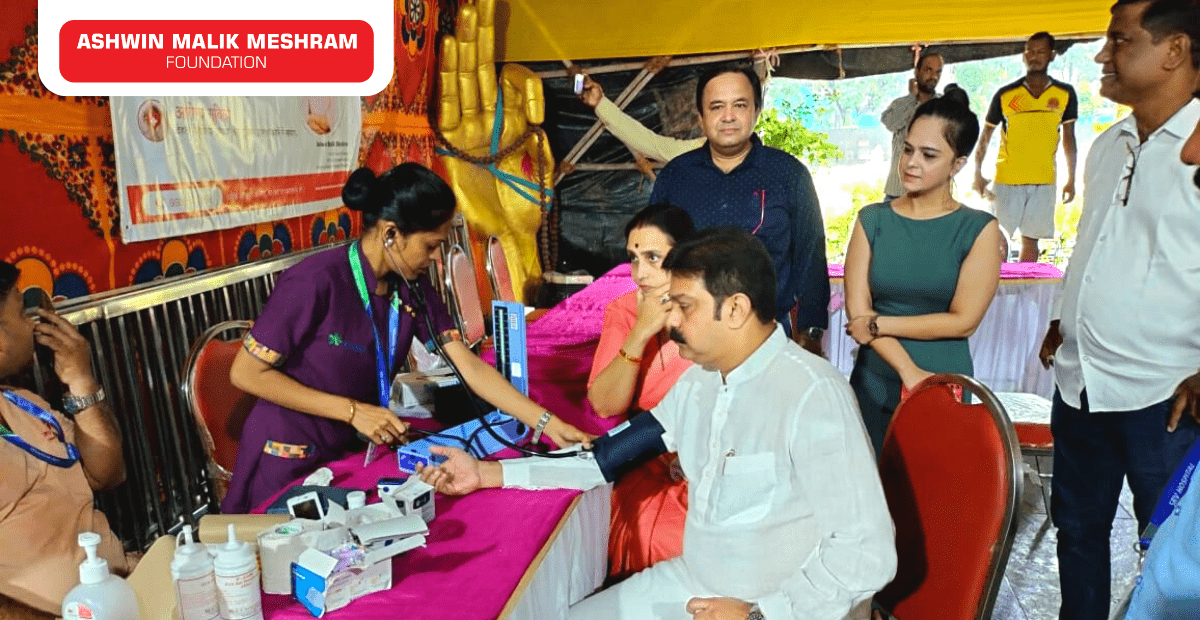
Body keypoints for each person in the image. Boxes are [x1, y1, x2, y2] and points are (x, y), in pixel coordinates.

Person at [419, 228, 897, 620]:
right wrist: (488, 474)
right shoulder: (701, 384)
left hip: (774, 608)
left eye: (684, 307)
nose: (670, 323)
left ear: (734, 309)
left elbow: (866, 552)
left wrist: (762, 613)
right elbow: (603, 460)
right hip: (693, 582)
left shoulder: (813, 394)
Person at [221, 163, 591, 513]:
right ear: (391, 233)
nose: (434, 258)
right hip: (290, 453)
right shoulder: (315, 281)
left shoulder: (409, 287)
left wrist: (548, 423)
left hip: (349, 451)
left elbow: (468, 367)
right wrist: (353, 411)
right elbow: (246, 374)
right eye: (430, 246)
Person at [1038, 1, 1200, 616]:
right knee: (1076, 535)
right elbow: (1095, 242)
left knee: (1171, 556)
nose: (1103, 54)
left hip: (1166, 395)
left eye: (1119, 40)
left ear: (1175, 51)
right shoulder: (1110, 145)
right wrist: (1065, 316)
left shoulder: (1198, 147)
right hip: (1081, 383)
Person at [844, 96, 1003, 458]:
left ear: (958, 164)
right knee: (872, 498)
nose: (912, 163)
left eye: (929, 155)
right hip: (875, 380)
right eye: (908, 149)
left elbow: (962, 322)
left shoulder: (978, 229)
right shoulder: (872, 220)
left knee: (933, 500)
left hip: (943, 383)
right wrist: (907, 369)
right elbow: (858, 312)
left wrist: (878, 325)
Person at [649, 63, 830, 356]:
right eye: (716, 107)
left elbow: (810, 256)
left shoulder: (788, 175)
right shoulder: (675, 178)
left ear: (756, 111)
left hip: (767, 336)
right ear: (701, 117)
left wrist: (811, 332)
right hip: (687, 340)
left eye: (740, 105)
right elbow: (653, 254)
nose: (729, 116)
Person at [0, 262, 130, 618]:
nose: (32, 323)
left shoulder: (24, 405)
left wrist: (81, 381)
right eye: (19, 310)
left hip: (117, 590)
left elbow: (108, 474)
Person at [587, 203, 696, 580]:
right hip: (646, 462)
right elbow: (604, 404)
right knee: (660, 538)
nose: (641, 274)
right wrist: (641, 331)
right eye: (634, 259)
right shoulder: (624, 312)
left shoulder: (709, 309)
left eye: (654, 258)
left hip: (712, 464)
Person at [973, 32, 1079, 263]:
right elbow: (986, 136)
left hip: (1044, 180)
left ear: (1052, 56)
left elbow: (1069, 139)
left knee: (1031, 241)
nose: (1034, 57)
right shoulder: (1005, 94)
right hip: (1007, 179)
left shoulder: (1064, 94)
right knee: (996, 239)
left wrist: (1071, 179)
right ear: (1023, 55)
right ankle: (994, 294)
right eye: (1029, 51)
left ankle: (1023, 295)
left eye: (1040, 52)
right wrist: (977, 173)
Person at [579, 76, 704, 164]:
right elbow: (648, 142)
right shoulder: (701, 151)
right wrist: (601, 104)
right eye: (717, 108)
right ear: (701, 121)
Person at [881, 51, 943, 202]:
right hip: (897, 193)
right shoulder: (901, 104)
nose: (933, 76)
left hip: (930, 194)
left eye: (938, 72)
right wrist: (912, 98)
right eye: (928, 70)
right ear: (917, 72)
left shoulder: (944, 106)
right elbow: (890, 123)